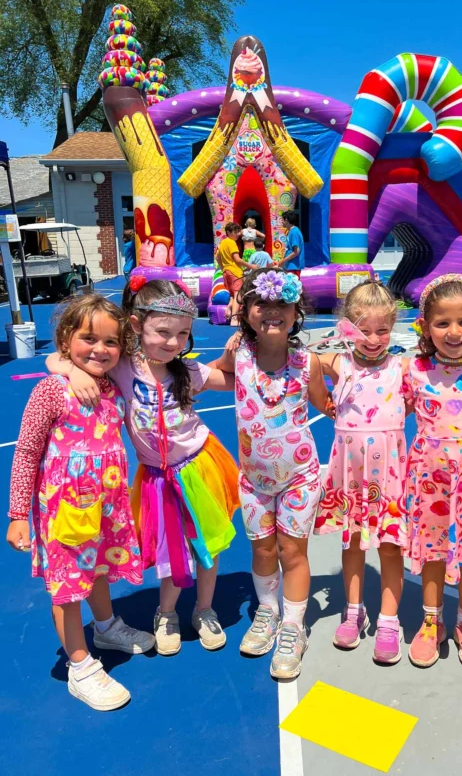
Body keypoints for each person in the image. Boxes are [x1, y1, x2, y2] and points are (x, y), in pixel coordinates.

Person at [47, 278, 239, 657]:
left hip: (198, 468)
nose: (173, 342)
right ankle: (166, 614)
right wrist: (74, 373)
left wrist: (235, 357)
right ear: (136, 325)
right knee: (170, 546)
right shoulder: (122, 368)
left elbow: (232, 380)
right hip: (157, 478)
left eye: (182, 334)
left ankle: (204, 609)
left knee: (207, 544)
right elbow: (57, 358)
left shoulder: (188, 371)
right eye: (163, 332)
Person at [7, 295, 155, 711]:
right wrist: (18, 514)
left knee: (99, 569)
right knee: (67, 587)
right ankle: (80, 665)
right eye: (89, 338)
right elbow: (26, 453)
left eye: (111, 342)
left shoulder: (112, 385)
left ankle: (106, 627)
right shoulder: (51, 391)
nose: (100, 349)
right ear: (65, 340)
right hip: (64, 511)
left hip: (106, 507)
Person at [213, 267, 332, 679]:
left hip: (300, 476)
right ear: (245, 311)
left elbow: (324, 403)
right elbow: (211, 374)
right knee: (263, 551)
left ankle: (294, 627)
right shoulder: (238, 355)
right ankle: (267, 611)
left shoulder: (306, 361)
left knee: (292, 553)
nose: (272, 311)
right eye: (261, 303)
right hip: (254, 482)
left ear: (297, 312)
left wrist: (363, 405)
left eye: (283, 304)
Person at [403, 274, 462, 673]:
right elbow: (379, 399)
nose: (454, 332)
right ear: (425, 326)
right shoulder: (413, 368)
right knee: (433, 548)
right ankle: (432, 621)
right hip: (430, 477)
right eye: (442, 323)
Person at [315, 281, 409, 665]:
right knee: (351, 542)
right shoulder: (336, 364)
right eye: (363, 330)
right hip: (350, 474)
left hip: (389, 475)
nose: (372, 339)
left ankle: (388, 620)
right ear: (347, 327)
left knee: (390, 546)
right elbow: (302, 363)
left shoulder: (402, 367)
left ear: (393, 327)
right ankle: (353, 609)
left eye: (382, 330)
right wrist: (326, 405)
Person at [216, 222, 258, 326]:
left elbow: (217, 257)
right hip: (234, 272)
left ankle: (229, 311)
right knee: (238, 294)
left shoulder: (223, 243)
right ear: (228, 232)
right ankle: (234, 318)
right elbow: (237, 259)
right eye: (235, 232)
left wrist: (224, 268)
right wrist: (251, 266)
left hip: (226, 272)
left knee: (232, 295)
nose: (238, 234)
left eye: (238, 232)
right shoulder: (231, 243)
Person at [280, 210, 305, 276]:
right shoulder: (291, 231)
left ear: (286, 220)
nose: (281, 222)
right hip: (290, 265)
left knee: (293, 282)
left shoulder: (294, 232)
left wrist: (283, 260)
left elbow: (296, 251)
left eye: (282, 220)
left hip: (294, 266)